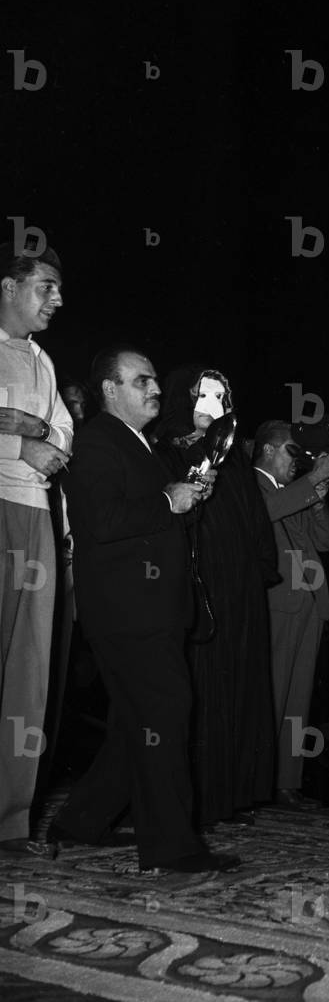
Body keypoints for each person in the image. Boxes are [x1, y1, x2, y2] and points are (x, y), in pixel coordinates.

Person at [54, 346, 239, 873]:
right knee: (164, 712)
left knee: (135, 722)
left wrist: (184, 499)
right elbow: (103, 522)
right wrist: (167, 501)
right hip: (128, 609)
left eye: (155, 380)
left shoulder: (138, 443)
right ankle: (172, 845)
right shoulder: (94, 442)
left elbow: (148, 520)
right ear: (109, 390)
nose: (155, 389)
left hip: (147, 605)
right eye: (141, 382)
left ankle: (80, 821)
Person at [152, 365, 278, 828]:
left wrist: (259, 569)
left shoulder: (234, 454)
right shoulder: (168, 445)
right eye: (203, 396)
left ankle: (236, 791)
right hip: (201, 582)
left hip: (240, 585)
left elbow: (254, 519)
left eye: (221, 397)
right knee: (205, 686)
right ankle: (201, 798)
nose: (213, 407)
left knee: (241, 680)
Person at [0, 243, 72, 854]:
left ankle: (11, 820)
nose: (57, 299)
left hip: (35, 510)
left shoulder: (44, 362)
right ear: (8, 286)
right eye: (45, 286)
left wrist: (30, 429)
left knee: (29, 671)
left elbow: (59, 430)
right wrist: (17, 440)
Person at [253, 421, 329, 807]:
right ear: (268, 450)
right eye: (292, 451)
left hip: (309, 604)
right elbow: (260, 517)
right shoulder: (249, 485)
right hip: (277, 604)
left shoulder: (295, 492)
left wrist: (317, 496)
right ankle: (258, 781)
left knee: (297, 698)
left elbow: (325, 540)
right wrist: (311, 482)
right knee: (270, 694)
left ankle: (287, 781)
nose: (299, 460)